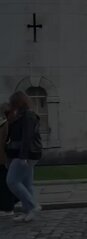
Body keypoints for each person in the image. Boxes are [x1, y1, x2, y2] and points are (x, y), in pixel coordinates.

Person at [5, 91, 43, 222]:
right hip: (24, 153)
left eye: (12, 103)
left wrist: (23, 157)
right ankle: (28, 211)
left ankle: (33, 206)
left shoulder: (28, 116)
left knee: (12, 181)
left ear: (18, 103)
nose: (10, 105)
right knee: (27, 184)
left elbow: (27, 137)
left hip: (27, 154)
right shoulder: (20, 115)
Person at [0, 103, 18, 216]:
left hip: (6, 159)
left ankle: (8, 208)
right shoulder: (4, 124)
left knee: (5, 184)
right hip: (4, 159)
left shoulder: (8, 125)